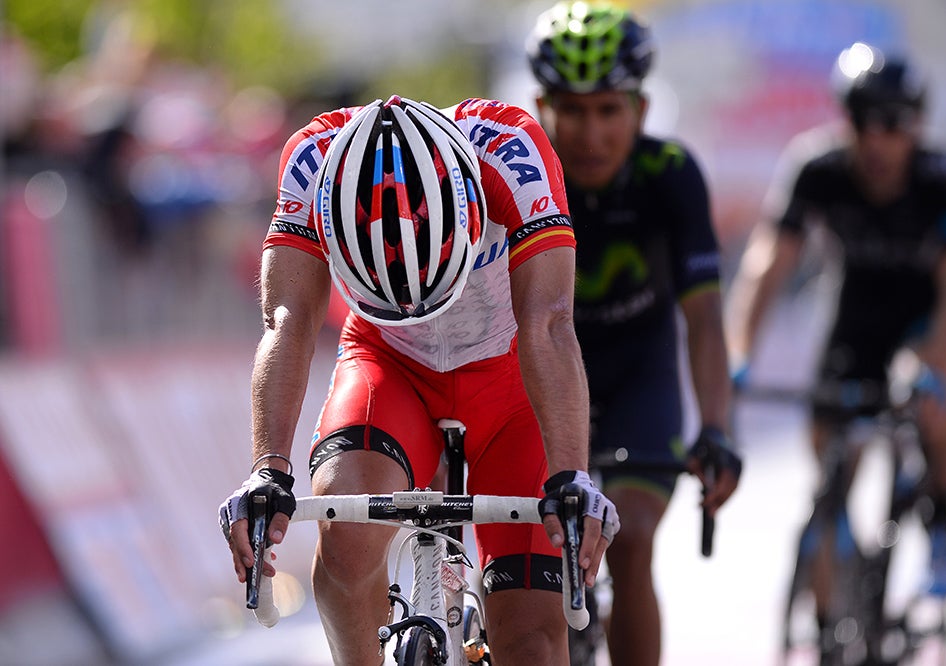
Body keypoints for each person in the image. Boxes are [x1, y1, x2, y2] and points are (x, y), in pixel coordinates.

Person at [218, 94, 621, 665]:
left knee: (530, 637)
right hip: (390, 366)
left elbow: (550, 323)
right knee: (346, 535)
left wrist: (571, 475)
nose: (413, 305)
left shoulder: (511, 150)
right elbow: (288, 321)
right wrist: (268, 469)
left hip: (510, 380)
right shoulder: (313, 163)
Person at [727, 42, 946, 618]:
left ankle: (941, 518)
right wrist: (739, 351)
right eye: (862, 122)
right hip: (857, 311)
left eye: (892, 124)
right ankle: (833, 598)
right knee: (829, 448)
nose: (876, 140)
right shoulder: (817, 167)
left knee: (935, 401)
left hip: (929, 313)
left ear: (916, 125)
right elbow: (769, 261)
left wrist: (940, 366)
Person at [526, 3, 743, 665]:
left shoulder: (670, 174)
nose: (591, 133)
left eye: (608, 110)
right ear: (541, 108)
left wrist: (716, 427)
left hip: (637, 376)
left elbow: (704, 319)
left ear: (641, 110)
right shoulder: (518, 175)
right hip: (538, 375)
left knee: (631, 539)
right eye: (572, 110)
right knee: (521, 558)